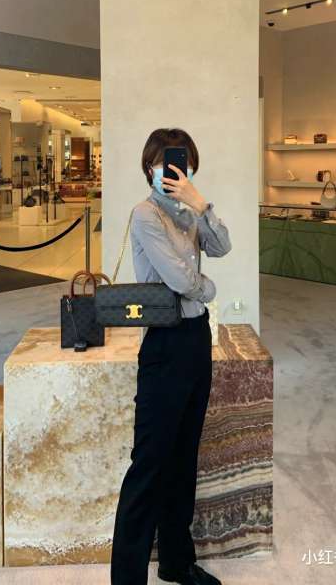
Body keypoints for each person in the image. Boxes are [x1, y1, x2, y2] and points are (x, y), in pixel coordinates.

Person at [110, 128, 231, 585]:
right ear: (150, 168)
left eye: (185, 164)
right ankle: (127, 578)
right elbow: (181, 281)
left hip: (196, 337)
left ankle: (176, 562)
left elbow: (222, 247)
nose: (180, 171)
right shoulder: (145, 214)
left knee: (183, 457)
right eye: (168, 163)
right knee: (149, 463)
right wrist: (210, 288)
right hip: (164, 342)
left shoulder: (189, 211)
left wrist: (201, 204)